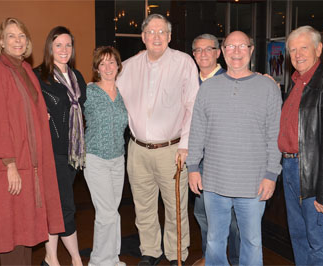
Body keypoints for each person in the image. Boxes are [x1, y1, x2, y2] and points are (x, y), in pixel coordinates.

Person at [187, 31, 282, 266]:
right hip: (214, 182)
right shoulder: (208, 89)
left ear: (251, 50)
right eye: (230, 46)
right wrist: (192, 167)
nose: (236, 52)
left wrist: (271, 175)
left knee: (251, 242)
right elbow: (197, 130)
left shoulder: (267, 87)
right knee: (214, 241)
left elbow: (274, 135)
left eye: (242, 46)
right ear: (223, 51)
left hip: (253, 184)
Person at [116, 13, 199, 266]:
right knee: (143, 207)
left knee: (175, 208)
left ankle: (176, 255)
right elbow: (111, 95)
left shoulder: (183, 63)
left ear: (170, 36)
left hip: (171, 150)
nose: (156, 37)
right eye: (151, 32)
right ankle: (150, 251)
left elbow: (192, 107)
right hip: (138, 150)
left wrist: (185, 146)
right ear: (142, 36)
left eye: (162, 32)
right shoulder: (128, 67)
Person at [0, 17, 64, 265]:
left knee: (25, 233)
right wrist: (9, 164)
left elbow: (26, 110)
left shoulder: (26, 70)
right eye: (11, 36)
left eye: (21, 36)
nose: (17, 41)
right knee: (10, 232)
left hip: (30, 167)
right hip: (10, 166)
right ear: (1, 42)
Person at [278, 25, 323, 266]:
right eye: (292, 50)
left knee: (320, 243)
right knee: (300, 237)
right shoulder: (297, 81)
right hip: (291, 169)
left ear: (319, 48)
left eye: (303, 48)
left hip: (313, 174)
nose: (297, 54)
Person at [34, 26, 86, 266]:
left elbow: (83, 113)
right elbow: (22, 104)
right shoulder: (39, 77)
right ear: (49, 48)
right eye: (58, 45)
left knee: (56, 206)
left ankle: (50, 258)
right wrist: (36, 113)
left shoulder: (77, 78)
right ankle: (74, 259)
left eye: (68, 45)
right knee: (65, 206)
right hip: (51, 154)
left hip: (73, 155)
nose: (64, 49)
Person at [190, 33, 239, 266]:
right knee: (202, 213)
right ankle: (210, 259)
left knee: (231, 218)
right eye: (198, 50)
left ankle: (234, 260)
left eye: (208, 49)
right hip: (198, 160)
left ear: (218, 52)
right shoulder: (190, 80)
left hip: (225, 160)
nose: (203, 54)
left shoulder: (231, 78)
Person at [83, 46, 128, 266]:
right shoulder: (89, 92)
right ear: (97, 68)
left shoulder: (123, 93)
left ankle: (112, 258)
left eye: (112, 62)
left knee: (112, 212)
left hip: (118, 160)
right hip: (95, 159)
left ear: (119, 66)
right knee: (106, 213)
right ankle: (98, 261)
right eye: (103, 63)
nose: (108, 67)